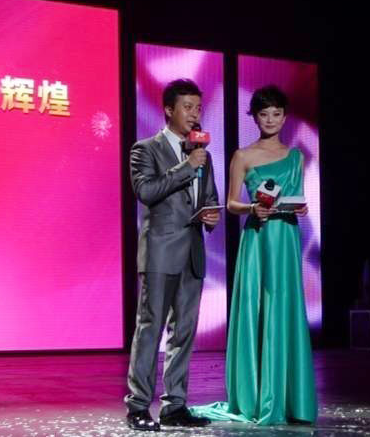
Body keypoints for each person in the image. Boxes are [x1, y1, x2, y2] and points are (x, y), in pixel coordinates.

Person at [192, 85, 318, 425]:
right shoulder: (243, 156)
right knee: (257, 309)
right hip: (258, 239)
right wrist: (251, 208)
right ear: (255, 118)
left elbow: (296, 197)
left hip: (286, 239)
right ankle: (256, 396)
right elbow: (232, 203)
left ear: (285, 117)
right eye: (264, 114)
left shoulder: (296, 156)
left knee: (284, 310)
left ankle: (290, 399)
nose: (271, 120)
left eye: (277, 113)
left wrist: (301, 208)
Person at [125, 78, 220, 431]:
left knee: (184, 333)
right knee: (150, 329)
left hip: (193, 252)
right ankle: (138, 406)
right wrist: (187, 166)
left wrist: (211, 214)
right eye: (187, 107)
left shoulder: (203, 155)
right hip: (161, 252)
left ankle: (174, 405)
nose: (195, 114)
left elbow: (209, 197)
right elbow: (146, 191)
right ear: (169, 110)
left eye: (198, 107)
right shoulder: (145, 149)